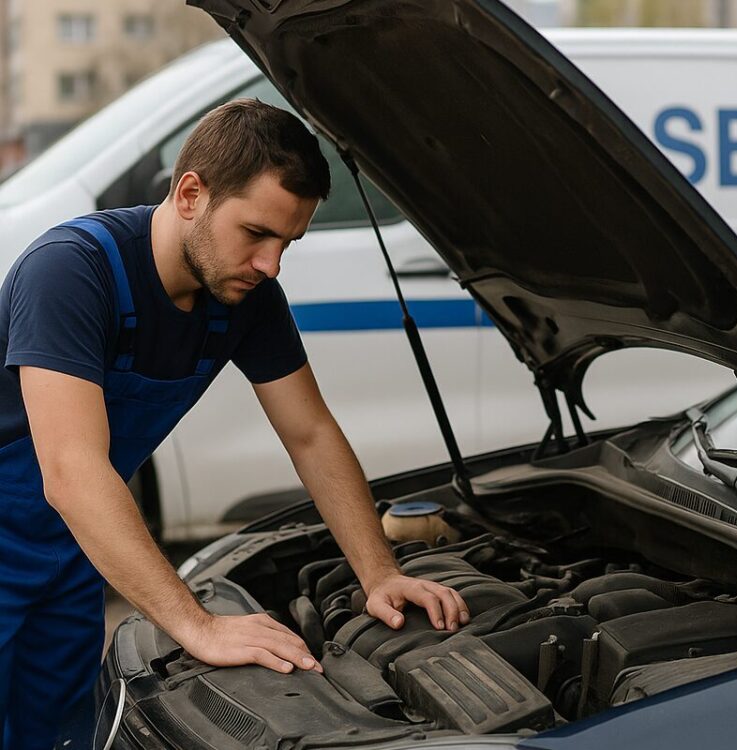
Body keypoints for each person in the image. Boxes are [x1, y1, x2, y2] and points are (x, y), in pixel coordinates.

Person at [0, 99, 470, 749]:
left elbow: (310, 433)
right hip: (39, 522)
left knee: (58, 734)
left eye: (287, 243)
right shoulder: (74, 272)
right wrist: (196, 624)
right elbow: (73, 471)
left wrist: (378, 573)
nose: (271, 265)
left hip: (73, 555)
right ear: (190, 193)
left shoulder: (246, 299)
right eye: (256, 234)